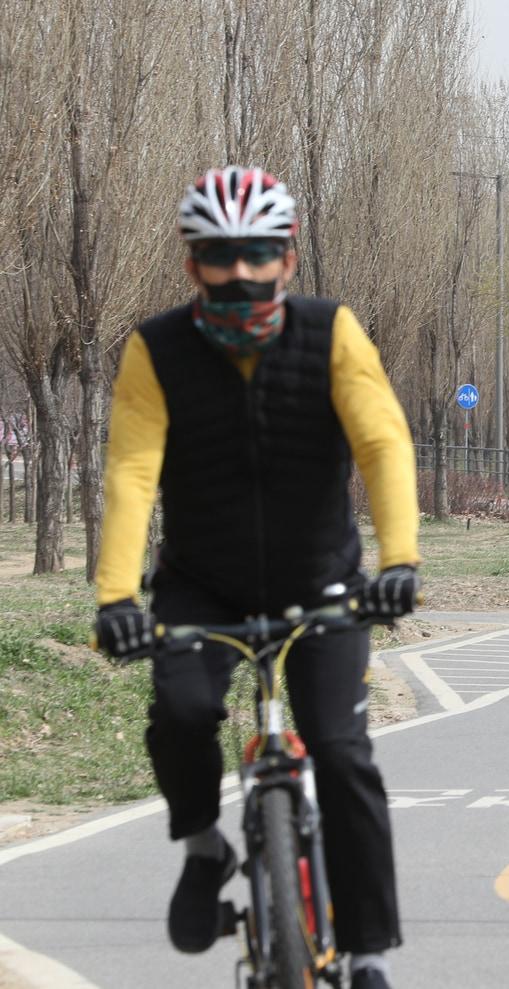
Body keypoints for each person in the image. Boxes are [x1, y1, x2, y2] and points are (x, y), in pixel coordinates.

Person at [92, 166, 419, 989]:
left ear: (289, 256)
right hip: (203, 584)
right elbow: (134, 469)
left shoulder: (332, 333)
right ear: (190, 260)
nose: (240, 272)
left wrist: (399, 560)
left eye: (257, 253)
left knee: (343, 754)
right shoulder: (155, 350)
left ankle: (369, 948)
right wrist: (116, 596)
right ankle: (204, 845)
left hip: (322, 581)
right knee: (180, 712)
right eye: (219, 254)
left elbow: (382, 444)